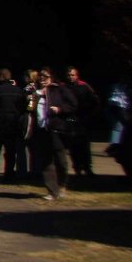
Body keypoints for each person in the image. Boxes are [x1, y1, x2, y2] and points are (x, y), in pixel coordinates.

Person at [34, 68, 76, 201]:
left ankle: (62, 185)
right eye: (40, 76)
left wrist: (59, 109)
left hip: (57, 128)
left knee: (60, 160)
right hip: (42, 129)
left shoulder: (59, 89)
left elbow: (73, 104)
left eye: (45, 77)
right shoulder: (35, 92)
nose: (42, 79)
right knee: (46, 161)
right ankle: (52, 191)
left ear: (51, 78)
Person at [64, 67, 98, 178]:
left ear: (77, 76)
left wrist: (90, 114)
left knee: (85, 145)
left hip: (83, 120)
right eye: (69, 75)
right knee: (73, 146)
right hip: (71, 120)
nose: (71, 77)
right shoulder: (64, 87)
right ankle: (77, 168)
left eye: (73, 75)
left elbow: (95, 101)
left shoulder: (84, 86)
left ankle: (87, 167)